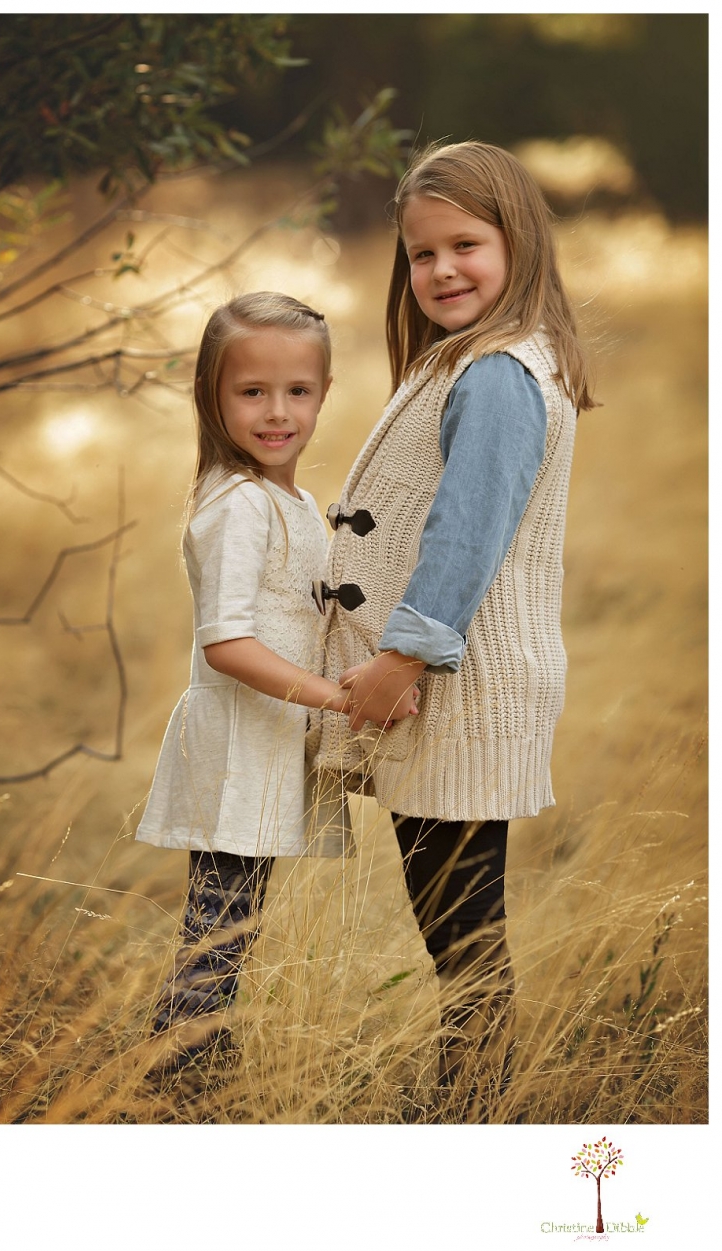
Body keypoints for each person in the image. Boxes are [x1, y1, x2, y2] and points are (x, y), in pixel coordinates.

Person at [314, 140, 597, 1122]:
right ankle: (471, 1097)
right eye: (421, 254)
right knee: (453, 921)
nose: (440, 270)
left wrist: (402, 656)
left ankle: (475, 1107)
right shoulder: (467, 361)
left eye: (464, 245)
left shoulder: (501, 377)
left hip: (457, 684)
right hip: (446, 681)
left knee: (462, 931)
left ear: (518, 240)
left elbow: (468, 533)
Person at [136, 292, 414, 1081]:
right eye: (252, 391)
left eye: (298, 390)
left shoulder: (289, 501)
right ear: (211, 395)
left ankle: (196, 1066)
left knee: (232, 923)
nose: (277, 412)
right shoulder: (240, 506)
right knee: (220, 927)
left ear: (324, 394)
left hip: (266, 744)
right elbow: (226, 642)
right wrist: (341, 699)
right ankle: (175, 1078)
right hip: (237, 746)